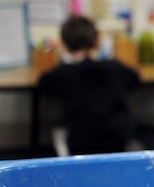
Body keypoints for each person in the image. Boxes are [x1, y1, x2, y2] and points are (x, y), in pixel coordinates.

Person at [36, 15, 142, 155]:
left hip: (80, 144)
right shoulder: (114, 67)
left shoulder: (61, 74)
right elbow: (135, 79)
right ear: (97, 42)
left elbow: (42, 84)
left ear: (64, 44)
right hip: (118, 141)